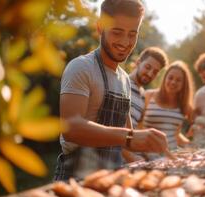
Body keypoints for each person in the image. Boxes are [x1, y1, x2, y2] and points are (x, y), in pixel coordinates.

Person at [54, 0, 168, 181]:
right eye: (117, 32)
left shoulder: (124, 80)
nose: (125, 42)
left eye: (133, 34)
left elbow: (130, 139)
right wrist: (130, 137)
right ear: (100, 27)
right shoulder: (81, 67)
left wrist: (155, 145)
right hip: (76, 179)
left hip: (111, 179)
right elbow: (70, 127)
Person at [122, 47, 169, 162]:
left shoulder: (143, 96)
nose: (149, 73)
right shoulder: (121, 83)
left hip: (125, 163)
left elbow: (134, 132)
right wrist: (132, 157)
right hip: (109, 160)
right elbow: (110, 127)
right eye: (148, 67)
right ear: (138, 63)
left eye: (155, 72)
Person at [143, 61, 194, 158]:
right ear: (165, 78)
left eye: (178, 80)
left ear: (184, 84)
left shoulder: (184, 105)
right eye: (170, 78)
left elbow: (175, 134)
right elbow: (137, 127)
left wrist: (191, 145)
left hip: (171, 157)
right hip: (146, 156)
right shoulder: (148, 95)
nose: (173, 82)